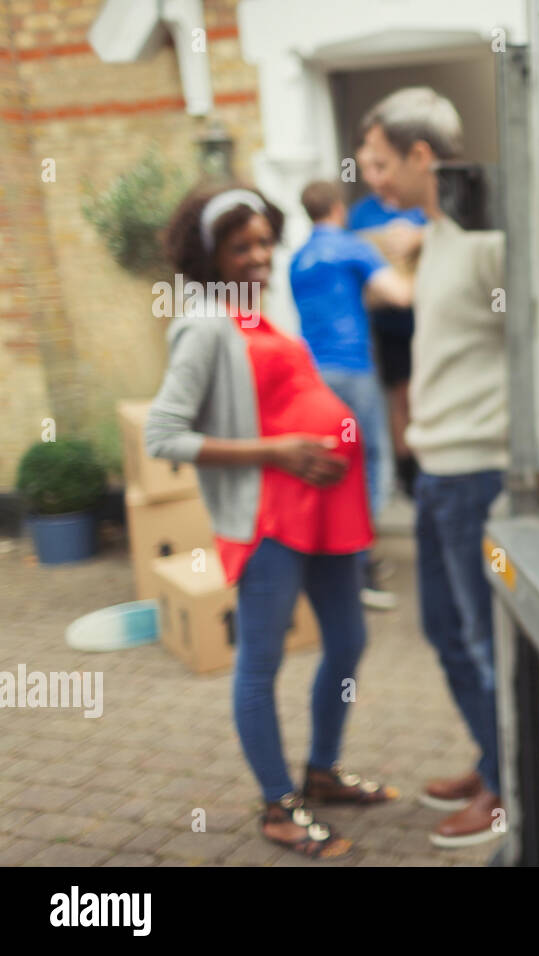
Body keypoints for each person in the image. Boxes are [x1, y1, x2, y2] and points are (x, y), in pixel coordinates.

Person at [145, 183, 398, 861]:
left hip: (323, 513)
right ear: (210, 255)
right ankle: (278, 804)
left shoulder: (262, 317)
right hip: (269, 520)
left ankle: (322, 770)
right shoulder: (204, 327)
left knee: (346, 642)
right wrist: (278, 451)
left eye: (263, 241)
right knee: (259, 663)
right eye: (240, 245)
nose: (258, 256)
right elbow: (163, 434)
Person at [358, 86, 509, 847]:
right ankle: (491, 761)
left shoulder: (485, 245)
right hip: (442, 473)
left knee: (475, 637)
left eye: (381, 163)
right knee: (446, 632)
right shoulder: (438, 233)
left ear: (423, 156)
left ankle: (506, 787)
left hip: (476, 473)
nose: (372, 179)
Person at [289, 179, 414, 611]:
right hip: (354, 369)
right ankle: (361, 563)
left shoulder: (298, 260)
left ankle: (332, 563)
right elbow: (401, 294)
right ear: (339, 210)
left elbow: (332, 305)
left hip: (314, 375)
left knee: (330, 464)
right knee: (373, 460)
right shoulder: (351, 247)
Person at [348, 143, 426, 502]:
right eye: (366, 169)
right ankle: (409, 471)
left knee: (424, 391)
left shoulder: (422, 208)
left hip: (427, 319)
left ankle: (428, 462)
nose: (373, 176)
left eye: (380, 166)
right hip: (390, 324)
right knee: (401, 396)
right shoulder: (361, 215)